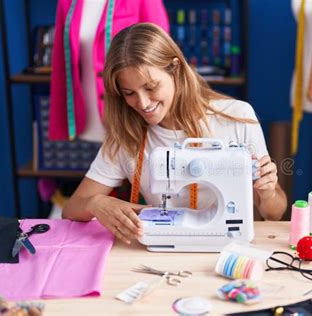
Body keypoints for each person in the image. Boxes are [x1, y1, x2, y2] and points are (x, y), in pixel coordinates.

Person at [62, 23, 287, 244]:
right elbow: (70, 209)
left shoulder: (235, 118)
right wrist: (96, 203)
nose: (142, 103)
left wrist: (267, 194)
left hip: (226, 251)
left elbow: (274, 213)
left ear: (176, 69)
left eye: (150, 87)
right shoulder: (127, 133)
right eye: (129, 93)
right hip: (161, 252)